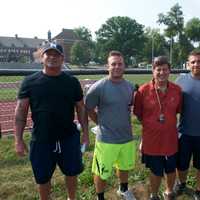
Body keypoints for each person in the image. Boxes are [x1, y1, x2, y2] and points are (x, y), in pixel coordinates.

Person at [14, 42, 89, 200]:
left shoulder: (72, 82)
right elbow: (21, 111)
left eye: (57, 55)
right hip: (42, 139)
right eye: (49, 54)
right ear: (42, 57)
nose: (52, 57)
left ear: (62, 59)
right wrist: (18, 140)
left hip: (68, 137)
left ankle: (71, 198)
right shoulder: (29, 82)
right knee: (43, 178)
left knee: (71, 173)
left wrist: (85, 134)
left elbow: (81, 108)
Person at [85, 50, 136, 200]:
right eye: (113, 64)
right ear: (108, 66)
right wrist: (100, 122)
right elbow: (88, 108)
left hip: (126, 137)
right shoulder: (99, 87)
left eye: (120, 64)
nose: (117, 67)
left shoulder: (130, 87)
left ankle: (123, 189)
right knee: (102, 171)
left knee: (124, 166)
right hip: (106, 139)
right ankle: (100, 197)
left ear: (124, 66)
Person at [134, 56, 182, 200]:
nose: (162, 72)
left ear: (170, 71)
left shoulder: (177, 90)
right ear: (153, 71)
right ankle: (154, 194)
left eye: (165, 69)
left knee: (171, 168)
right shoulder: (143, 91)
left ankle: (169, 192)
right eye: (158, 69)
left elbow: (178, 111)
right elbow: (138, 114)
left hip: (170, 139)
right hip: (152, 141)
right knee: (155, 170)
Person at [175, 50, 200, 199]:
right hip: (184, 132)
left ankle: (198, 190)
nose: (196, 64)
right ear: (188, 64)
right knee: (181, 164)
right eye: (193, 62)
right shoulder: (180, 81)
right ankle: (182, 184)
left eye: (199, 61)